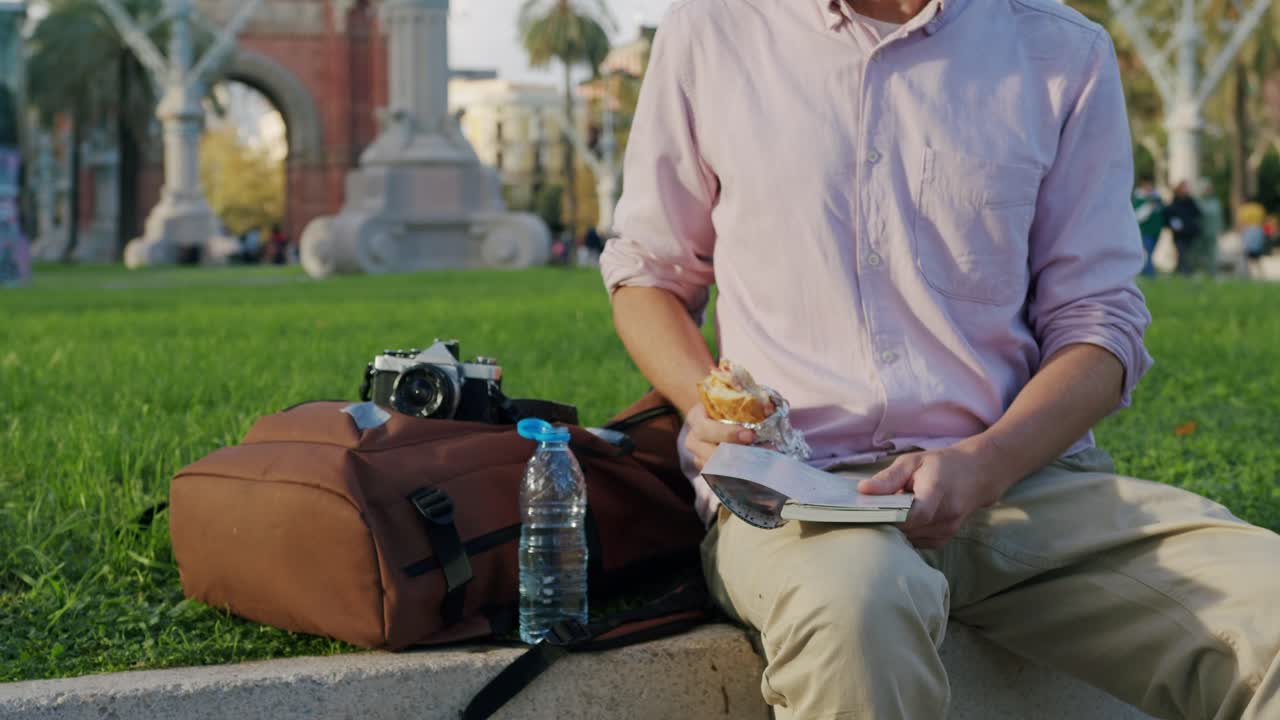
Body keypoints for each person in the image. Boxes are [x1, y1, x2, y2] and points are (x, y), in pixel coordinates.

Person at [599, 1, 1280, 718]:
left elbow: (1101, 324)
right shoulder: (715, 28)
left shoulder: (1061, 50)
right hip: (798, 490)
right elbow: (648, 273)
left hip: (1027, 482)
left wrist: (986, 462)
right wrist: (700, 403)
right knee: (857, 611)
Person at [1165, 181, 1203, 276]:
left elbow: (1198, 214)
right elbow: (1168, 216)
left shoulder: (1191, 202)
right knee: (1181, 253)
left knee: (1188, 254)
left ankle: (1184, 271)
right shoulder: (1174, 203)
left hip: (1190, 233)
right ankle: (1184, 272)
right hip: (1179, 234)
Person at [1132, 177, 1164, 277]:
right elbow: (1137, 216)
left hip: (1156, 231)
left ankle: (1147, 273)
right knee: (1147, 252)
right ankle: (1149, 274)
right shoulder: (1138, 199)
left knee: (1151, 252)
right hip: (1144, 231)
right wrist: (1149, 206)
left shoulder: (1157, 198)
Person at [1195, 178, 1224, 276]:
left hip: (1212, 232)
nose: (1208, 191)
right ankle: (1198, 272)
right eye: (1206, 189)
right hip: (1199, 233)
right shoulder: (1197, 202)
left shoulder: (1215, 202)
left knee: (1212, 253)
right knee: (1198, 253)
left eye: (1209, 189)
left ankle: (1213, 273)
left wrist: (1220, 229)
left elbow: (1219, 217)